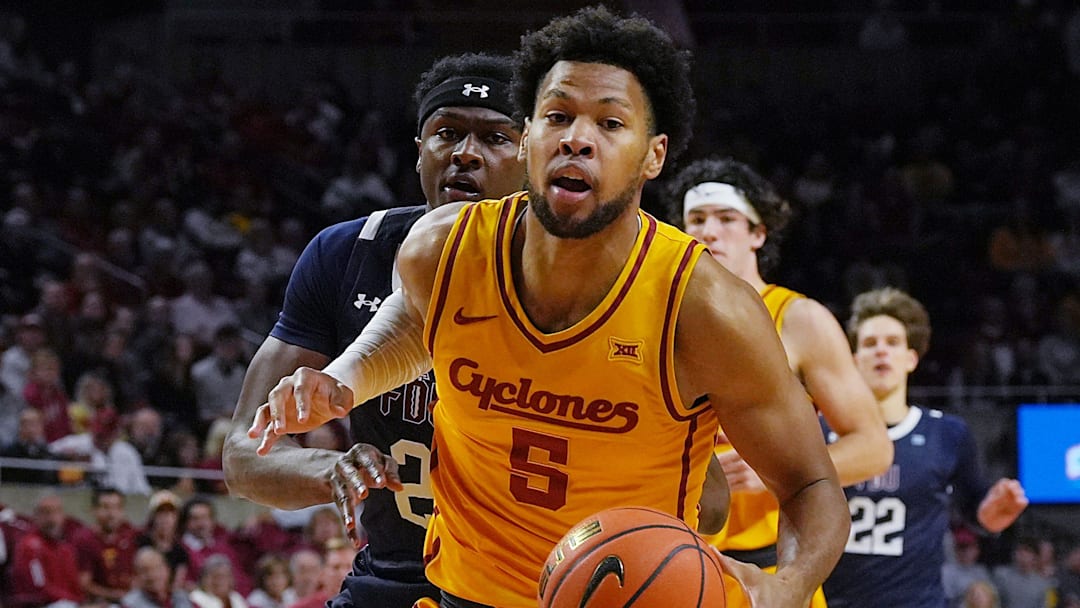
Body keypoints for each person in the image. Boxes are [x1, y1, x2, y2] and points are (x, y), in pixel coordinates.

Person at [249, 6, 850, 607]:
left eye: (610, 123)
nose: (577, 138)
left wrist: (790, 587)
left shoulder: (704, 307)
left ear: (654, 155)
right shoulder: (444, 248)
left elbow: (811, 483)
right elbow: (414, 326)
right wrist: (342, 381)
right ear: (530, 133)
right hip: (463, 593)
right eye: (558, 116)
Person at [223, 52, 527, 607]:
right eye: (447, 133)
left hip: (528, 586)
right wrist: (330, 468)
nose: (465, 153)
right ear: (419, 153)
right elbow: (245, 452)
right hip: (394, 575)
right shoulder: (347, 253)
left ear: (532, 157)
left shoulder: (579, 280)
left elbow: (707, 498)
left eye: (496, 138)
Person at [665, 156, 892, 605]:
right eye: (696, 219)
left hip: (770, 566)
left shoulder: (799, 319)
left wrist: (770, 470)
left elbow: (873, 446)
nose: (709, 231)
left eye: (727, 219)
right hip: (672, 562)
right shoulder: (657, 315)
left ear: (758, 233)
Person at [823, 286, 1030, 607]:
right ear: (854, 359)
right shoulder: (817, 430)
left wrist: (991, 517)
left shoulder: (947, 434)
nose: (881, 352)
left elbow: (976, 509)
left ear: (911, 358)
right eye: (870, 344)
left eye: (892, 343)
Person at [71, 487, 140, 603]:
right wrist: (113, 595)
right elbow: (84, 583)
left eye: (116, 507)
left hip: (134, 599)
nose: (111, 513)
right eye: (105, 507)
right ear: (94, 510)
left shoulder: (132, 535)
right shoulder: (85, 540)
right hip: (100, 602)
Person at [121, 546, 194, 608]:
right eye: (145, 571)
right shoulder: (129, 604)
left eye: (156, 568)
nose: (152, 575)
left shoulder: (183, 598)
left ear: (167, 570)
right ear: (136, 576)